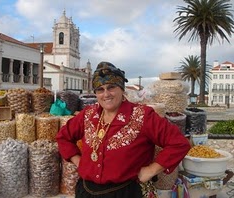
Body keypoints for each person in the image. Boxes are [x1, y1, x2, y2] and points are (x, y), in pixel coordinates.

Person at [56, 61, 191, 198]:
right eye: (100, 90)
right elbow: (63, 137)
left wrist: (151, 170)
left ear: (122, 89)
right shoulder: (89, 115)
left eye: (111, 87)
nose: (106, 94)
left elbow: (179, 143)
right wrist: (79, 161)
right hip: (87, 191)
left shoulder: (142, 116)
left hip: (126, 192)